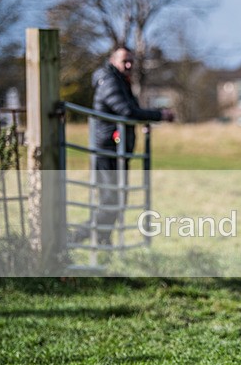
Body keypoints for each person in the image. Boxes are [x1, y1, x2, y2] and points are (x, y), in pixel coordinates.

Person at [72, 46, 174, 245]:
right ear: (113, 61)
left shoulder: (121, 81)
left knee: (118, 200)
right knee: (110, 199)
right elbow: (125, 111)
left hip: (119, 150)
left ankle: (103, 240)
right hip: (108, 149)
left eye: (131, 61)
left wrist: (143, 121)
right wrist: (159, 115)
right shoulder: (109, 81)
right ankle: (78, 236)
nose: (129, 65)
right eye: (124, 61)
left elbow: (131, 110)